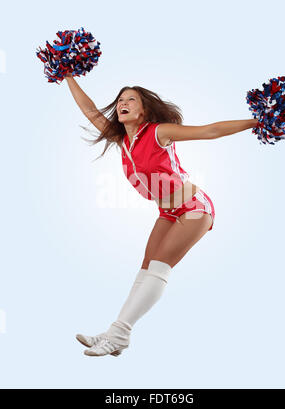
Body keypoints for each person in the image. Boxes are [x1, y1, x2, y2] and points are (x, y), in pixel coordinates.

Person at [65, 74, 258, 356]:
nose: (123, 103)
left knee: (159, 267)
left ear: (144, 110)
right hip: (167, 211)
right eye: (120, 99)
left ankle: (120, 333)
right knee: (146, 268)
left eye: (131, 99)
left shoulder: (159, 132)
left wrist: (258, 122)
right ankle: (116, 333)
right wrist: (67, 74)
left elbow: (209, 131)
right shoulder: (123, 141)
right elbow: (89, 109)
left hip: (194, 208)